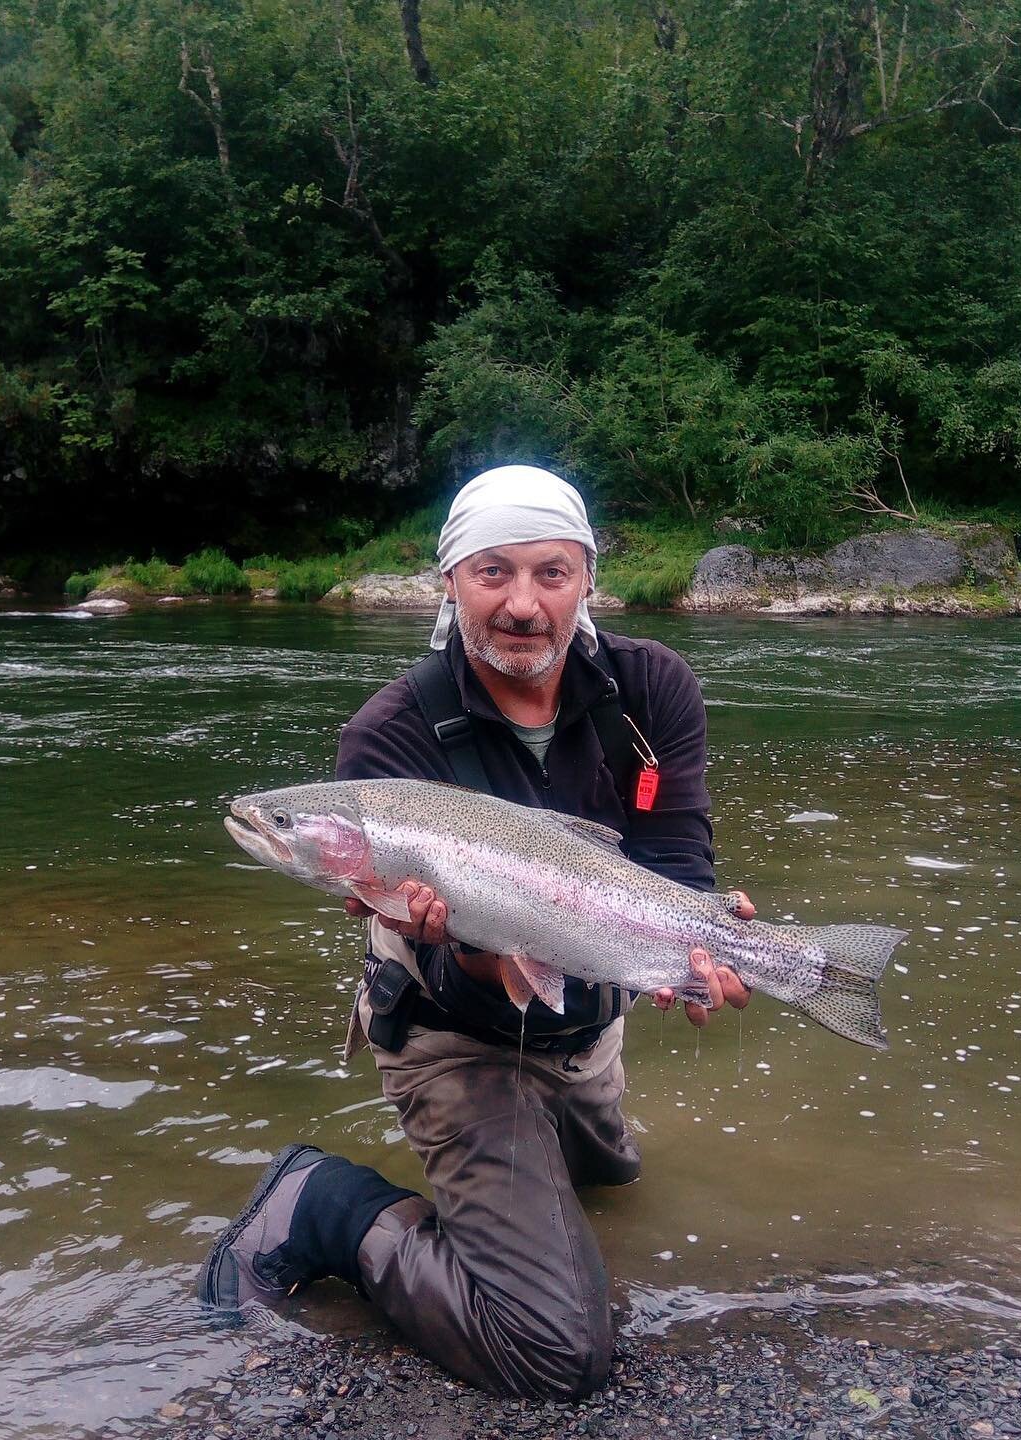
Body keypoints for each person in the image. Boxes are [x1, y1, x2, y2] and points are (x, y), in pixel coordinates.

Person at [198, 465, 753, 1400]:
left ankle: (537, 1144)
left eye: (551, 573)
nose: (524, 605)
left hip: (590, 1015)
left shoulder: (651, 687)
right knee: (554, 1353)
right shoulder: (390, 735)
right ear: (448, 581)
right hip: (451, 1030)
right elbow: (452, 984)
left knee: (612, 1187)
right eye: (493, 573)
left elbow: (680, 865)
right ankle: (324, 1204)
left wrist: (699, 952)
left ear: (587, 579)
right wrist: (466, 944)